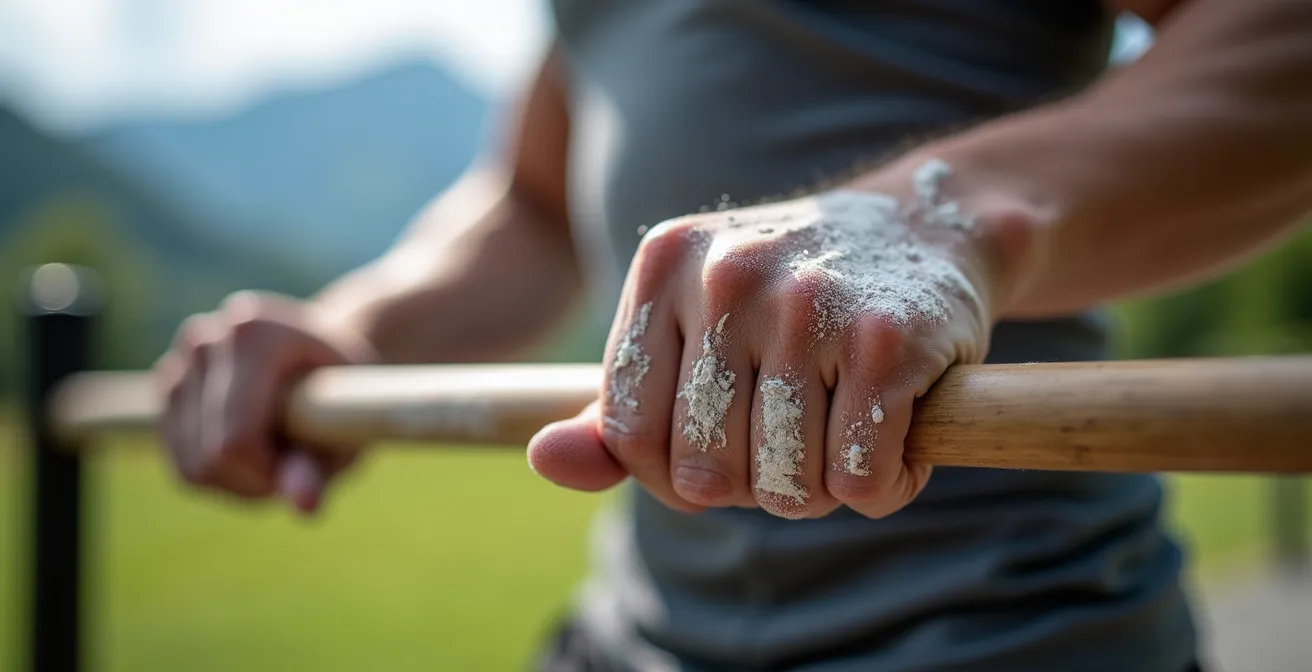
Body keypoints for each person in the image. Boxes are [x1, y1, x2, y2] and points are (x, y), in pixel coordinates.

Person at [152, 0, 1310, 669]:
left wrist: (923, 221)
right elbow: (535, 202)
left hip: (1003, 631)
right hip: (636, 639)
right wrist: (348, 333)